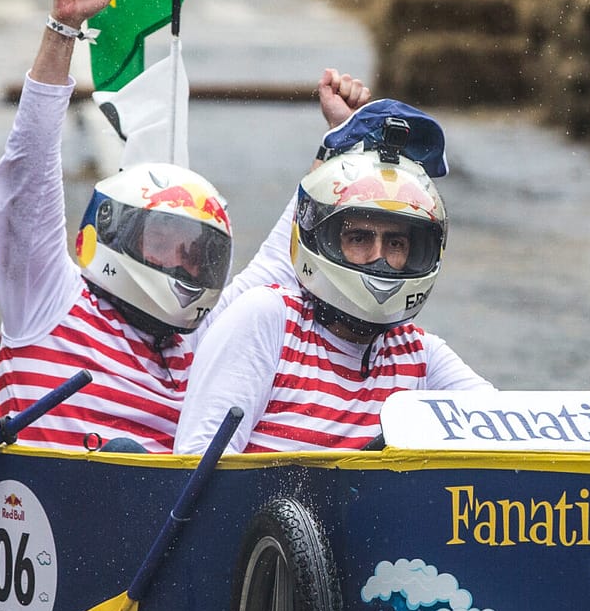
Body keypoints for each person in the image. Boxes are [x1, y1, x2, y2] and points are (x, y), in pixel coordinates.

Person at [0, 0, 368, 453]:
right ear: (116, 233)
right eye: (169, 243)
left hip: (158, 523)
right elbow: (26, 172)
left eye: (200, 254)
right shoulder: (44, 297)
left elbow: (287, 257)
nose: (187, 266)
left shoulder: (207, 332)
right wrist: (63, 30)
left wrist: (341, 140)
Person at [175, 128, 490, 454]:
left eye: (395, 243)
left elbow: (505, 430)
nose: (379, 258)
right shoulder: (266, 319)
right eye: (359, 238)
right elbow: (195, 462)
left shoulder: (420, 354)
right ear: (323, 241)